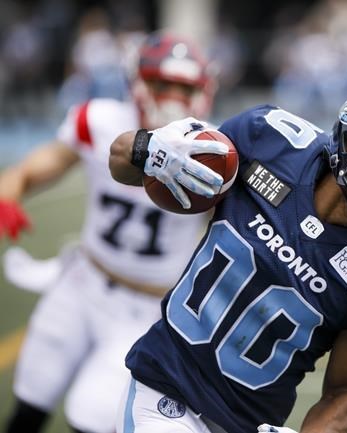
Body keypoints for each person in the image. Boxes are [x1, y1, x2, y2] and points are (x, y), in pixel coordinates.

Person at [108, 79, 347, 433]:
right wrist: (148, 149)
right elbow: (120, 159)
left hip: (249, 424)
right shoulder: (269, 143)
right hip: (166, 386)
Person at [0, 31, 216, 433]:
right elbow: (36, 166)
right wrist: (9, 192)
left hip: (146, 309)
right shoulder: (100, 121)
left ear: (204, 90)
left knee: (92, 418)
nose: (171, 95)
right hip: (82, 284)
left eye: (183, 87)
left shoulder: (213, 152)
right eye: (160, 82)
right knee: (28, 404)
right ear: (136, 82)